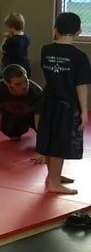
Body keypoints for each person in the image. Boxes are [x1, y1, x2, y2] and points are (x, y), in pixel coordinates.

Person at [35, 12, 90, 195]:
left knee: (49, 138)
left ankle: (52, 176)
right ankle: (54, 183)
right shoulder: (79, 56)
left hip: (47, 101)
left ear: (55, 29)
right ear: (78, 31)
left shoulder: (46, 50)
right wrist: (84, 111)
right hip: (66, 104)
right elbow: (81, 85)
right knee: (60, 141)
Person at [1, 12, 31, 76]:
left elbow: (2, 50)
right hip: (25, 66)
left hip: (12, 69)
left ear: (12, 27)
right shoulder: (27, 36)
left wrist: (5, 38)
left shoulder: (11, 40)